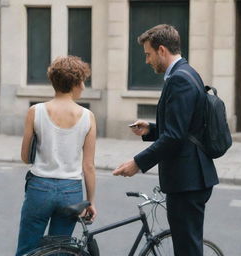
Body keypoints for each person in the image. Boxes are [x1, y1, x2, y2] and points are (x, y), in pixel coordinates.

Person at [113, 24, 219, 256]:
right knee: (187, 247)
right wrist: (151, 129)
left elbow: (175, 136)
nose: (147, 60)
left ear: (162, 50)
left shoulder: (179, 79)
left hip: (188, 181)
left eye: (148, 54)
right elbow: (184, 127)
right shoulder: (188, 72)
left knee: (187, 250)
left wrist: (137, 163)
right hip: (191, 178)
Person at [16, 56, 97, 256]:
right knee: (60, 251)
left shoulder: (35, 111)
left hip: (39, 188)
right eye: (83, 81)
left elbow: (25, 157)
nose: (84, 87)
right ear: (76, 83)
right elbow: (88, 166)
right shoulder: (88, 116)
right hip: (71, 191)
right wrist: (91, 201)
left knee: (27, 249)